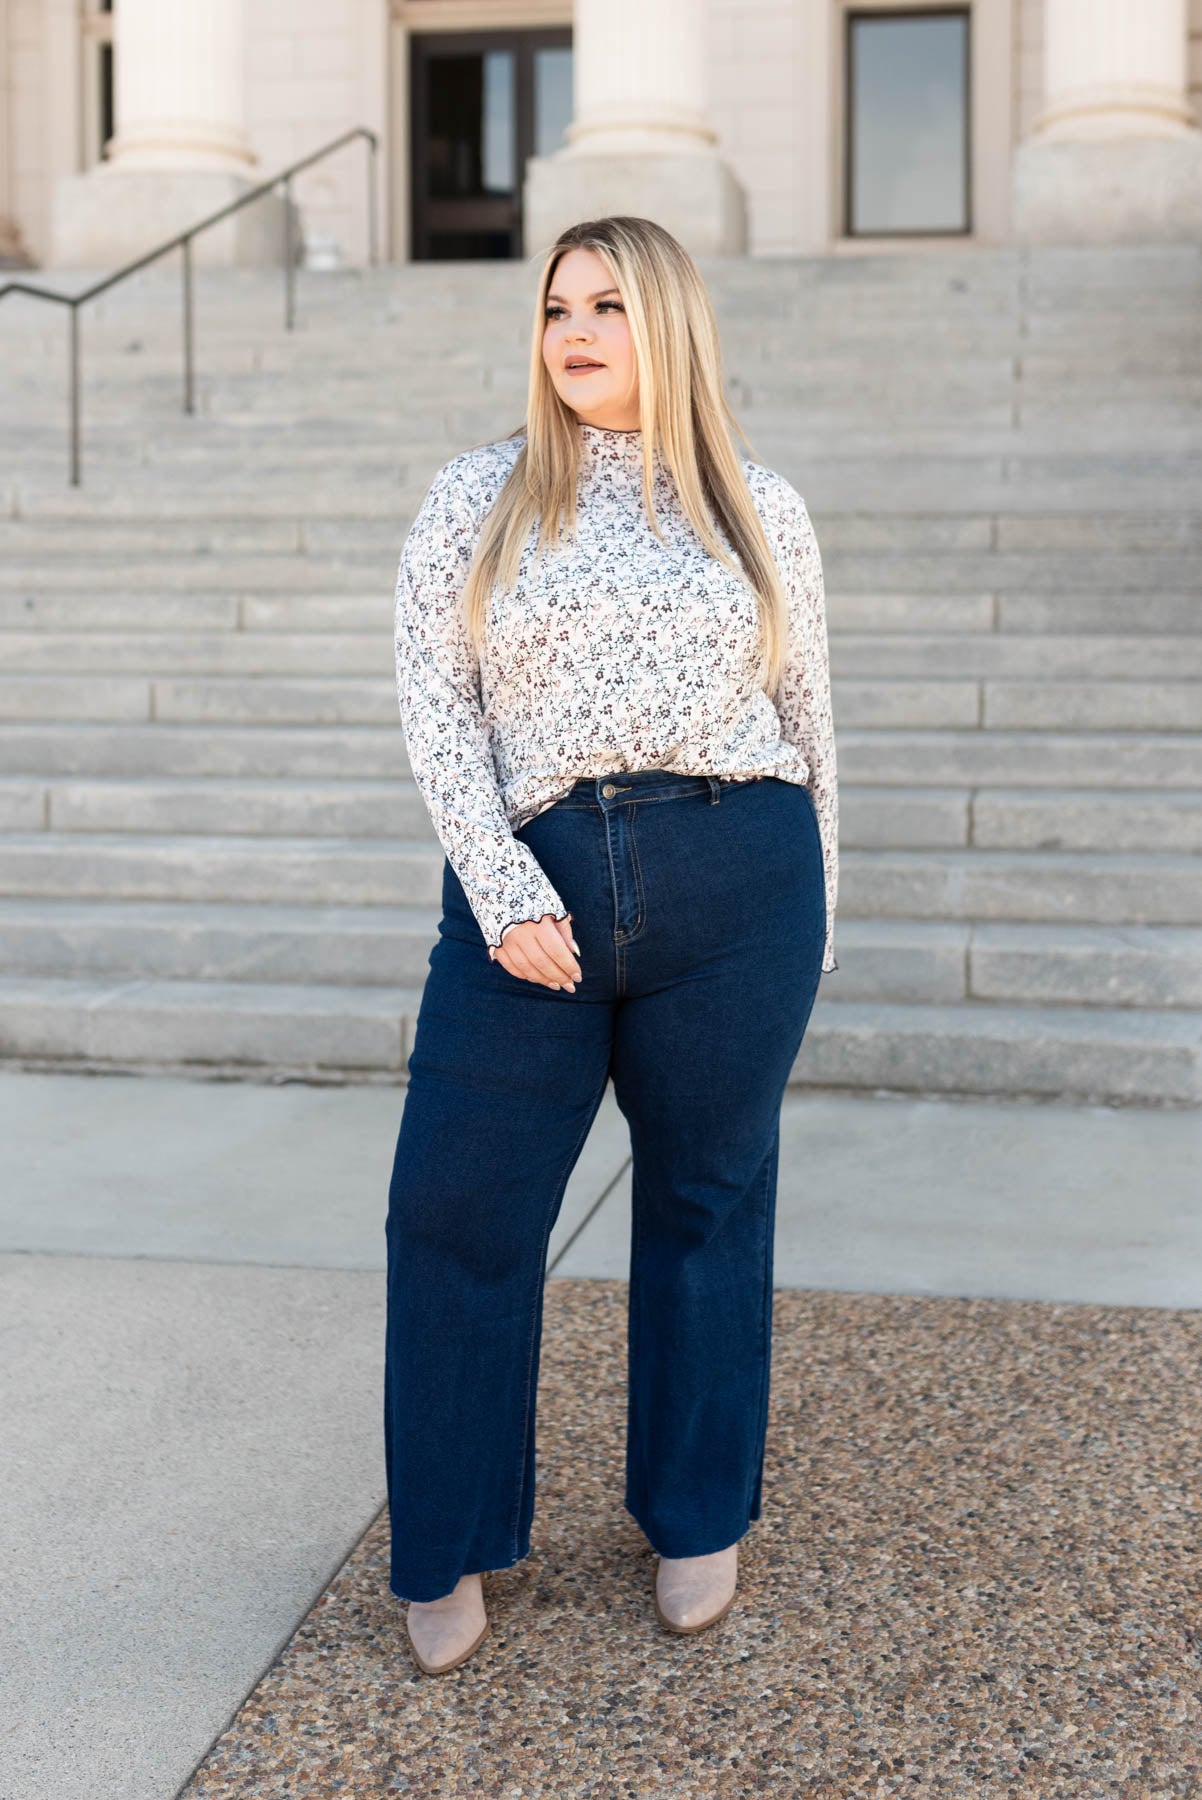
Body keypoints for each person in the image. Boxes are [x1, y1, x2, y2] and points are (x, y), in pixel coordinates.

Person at [385, 215, 838, 1676]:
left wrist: (817, 912)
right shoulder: (480, 497)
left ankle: (694, 1512)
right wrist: (505, 891)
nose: (574, 330)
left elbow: (814, 723)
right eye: (556, 305)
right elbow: (435, 706)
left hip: (739, 880)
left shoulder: (757, 507)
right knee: (455, 1210)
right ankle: (449, 1531)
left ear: (673, 330)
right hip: (537, 880)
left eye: (610, 306)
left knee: (709, 1203)